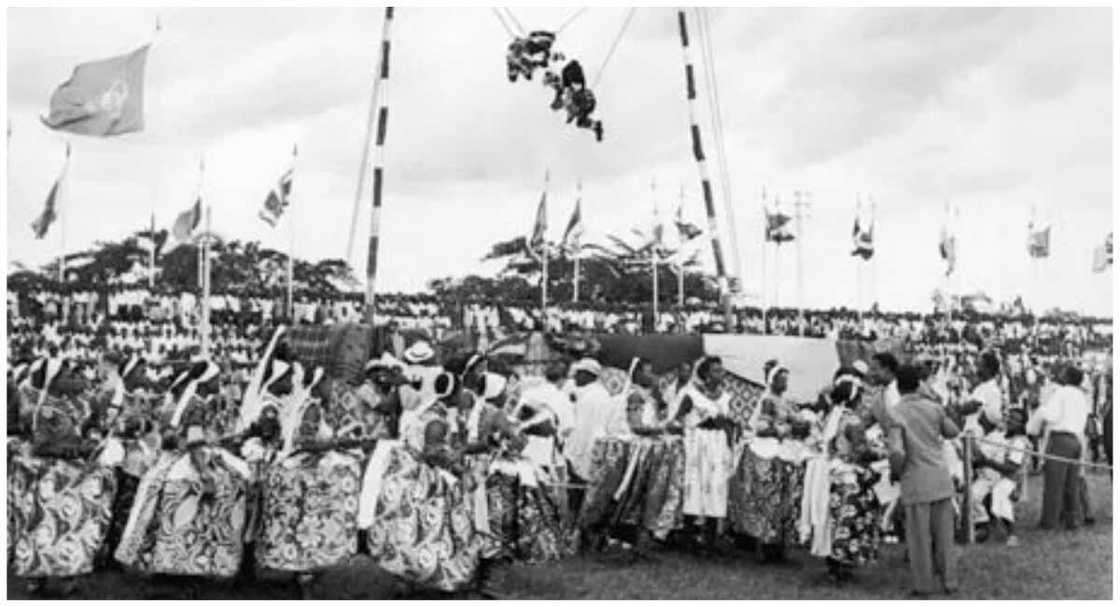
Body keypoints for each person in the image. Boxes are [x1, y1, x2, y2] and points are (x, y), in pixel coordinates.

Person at [888, 364, 961, 597]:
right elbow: (953, 431)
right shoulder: (934, 407)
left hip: (915, 478)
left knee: (919, 537)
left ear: (898, 388)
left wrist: (895, 471)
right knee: (944, 536)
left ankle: (923, 585)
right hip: (939, 477)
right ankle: (950, 582)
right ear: (919, 384)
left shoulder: (896, 412)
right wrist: (934, 400)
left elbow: (897, 452)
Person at [677, 356, 735, 552]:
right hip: (697, 446)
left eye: (722, 370)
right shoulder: (691, 395)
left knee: (716, 488)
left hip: (717, 446)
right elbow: (677, 419)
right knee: (695, 487)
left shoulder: (726, 397)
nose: (721, 374)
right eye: (716, 371)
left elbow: (729, 421)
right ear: (705, 374)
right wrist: (695, 425)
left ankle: (710, 540)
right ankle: (688, 538)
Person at [1026, 364, 1091, 530]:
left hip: (1060, 439)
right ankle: (1072, 520)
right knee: (1071, 484)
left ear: (1068, 377)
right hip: (1076, 439)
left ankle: (1049, 522)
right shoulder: (1081, 395)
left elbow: (1052, 415)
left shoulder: (1061, 392)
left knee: (1053, 484)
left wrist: (1040, 410)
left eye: (1063, 372)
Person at [970, 408, 1028, 546]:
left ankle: (1012, 534)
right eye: (1010, 417)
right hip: (991, 475)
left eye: (1016, 420)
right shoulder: (997, 435)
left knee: (1000, 492)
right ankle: (982, 524)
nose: (1011, 421)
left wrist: (988, 462)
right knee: (972, 493)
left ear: (1021, 424)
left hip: (1011, 479)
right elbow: (980, 454)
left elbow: (1011, 469)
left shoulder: (1019, 442)